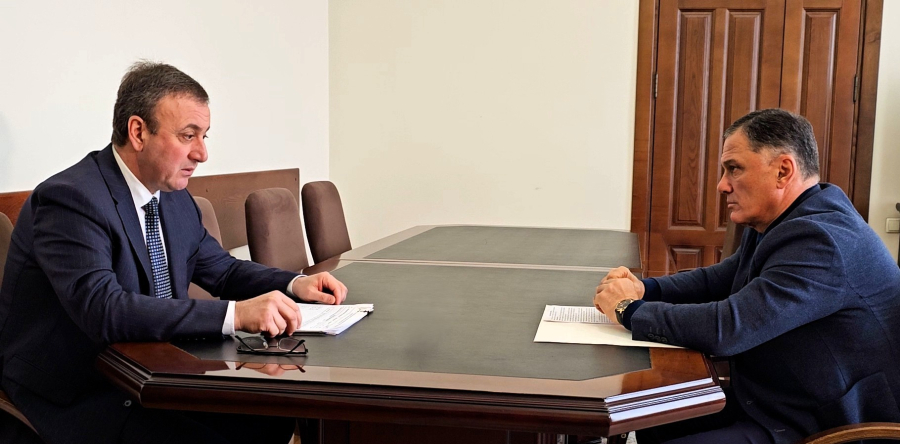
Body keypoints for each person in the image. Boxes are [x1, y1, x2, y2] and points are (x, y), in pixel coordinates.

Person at [0, 61, 348, 444]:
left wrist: (295, 284)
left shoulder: (172, 195)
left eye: (204, 136)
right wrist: (236, 314)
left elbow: (222, 270)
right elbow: (104, 310)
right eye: (188, 135)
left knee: (270, 419)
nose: (202, 153)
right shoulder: (71, 199)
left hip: (154, 371)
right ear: (138, 132)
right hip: (82, 388)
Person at [595, 108, 900, 444]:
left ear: (783, 171)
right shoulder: (789, 219)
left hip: (822, 426)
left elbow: (728, 328)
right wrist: (645, 288)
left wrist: (627, 309)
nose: (722, 185)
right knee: (651, 415)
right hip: (770, 401)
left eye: (734, 169)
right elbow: (719, 280)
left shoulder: (821, 240)